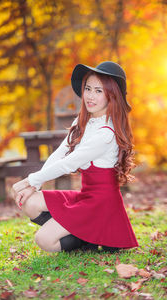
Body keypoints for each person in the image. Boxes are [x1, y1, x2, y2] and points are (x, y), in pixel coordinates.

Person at [11, 61, 139, 253]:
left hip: (101, 205)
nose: (90, 96)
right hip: (85, 196)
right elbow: (59, 154)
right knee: (29, 202)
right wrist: (34, 186)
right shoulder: (82, 122)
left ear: (111, 95)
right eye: (88, 88)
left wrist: (27, 181)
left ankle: (87, 237)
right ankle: (84, 233)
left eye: (98, 91)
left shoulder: (106, 133)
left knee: (43, 240)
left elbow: (69, 163)